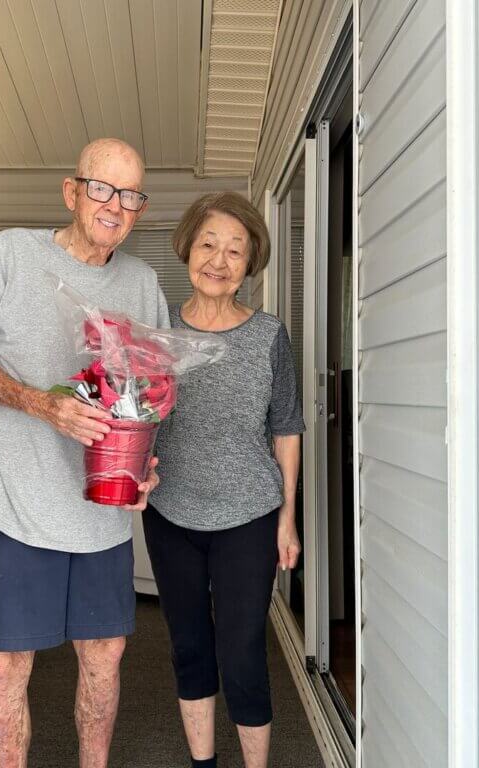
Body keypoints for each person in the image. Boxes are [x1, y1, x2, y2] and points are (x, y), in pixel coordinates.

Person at [0, 138, 168, 768]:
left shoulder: (143, 282)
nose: (115, 206)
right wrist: (42, 404)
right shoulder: (12, 254)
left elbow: (149, 397)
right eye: (102, 188)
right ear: (72, 192)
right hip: (9, 504)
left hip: (99, 511)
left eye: (130, 195)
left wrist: (145, 465)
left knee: (105, 658)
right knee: (8, 663)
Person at [143, 192, 304, 768]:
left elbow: (286, 427)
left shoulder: (267, 337)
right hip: (171, 515)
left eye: (235, 249)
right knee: (189, 649)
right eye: (209, 243)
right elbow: (134, 417)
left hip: (249, 516)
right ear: (188, 247)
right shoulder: (156, 336)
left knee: (242, 654)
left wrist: (287, 518)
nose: (219, 258)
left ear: (250, 261)